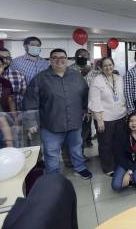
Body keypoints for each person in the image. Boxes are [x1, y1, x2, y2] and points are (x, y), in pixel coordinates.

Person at [23, 48, 91, 178]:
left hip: (74, 122)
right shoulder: (40, 78)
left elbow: (85, 94)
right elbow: (30, 100)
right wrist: (31, 121)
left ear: (67, 59)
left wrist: (86, 110)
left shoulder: (76, 76)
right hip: (51, 124)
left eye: (62, 57)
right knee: (51, 152)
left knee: (76, 148)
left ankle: (80, 167)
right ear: (50, 60)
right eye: (55, 58)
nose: (59, 60)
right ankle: (53, 175)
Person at [89, 57, 127, 176]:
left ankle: (118, 163)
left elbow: (123, 96)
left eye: (110, 65)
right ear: (101, 67)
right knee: (106, 143)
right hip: (105, 118)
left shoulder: (119, 78)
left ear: (113, 65)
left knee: (118, 142)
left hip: (120, 115)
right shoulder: (97, 80)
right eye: (105, 66)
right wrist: (99, 120)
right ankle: (108, 167)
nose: (108, 67)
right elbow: (94, 100)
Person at [111, 112, 136, 193]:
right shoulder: (122, 134)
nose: (133, 123)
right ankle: (132, 177)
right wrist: (127, 168)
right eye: (131, 121)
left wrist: (129, 172)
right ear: (128, 122)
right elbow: (118, 155)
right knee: (116, 186)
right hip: (126, 162)